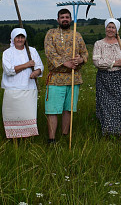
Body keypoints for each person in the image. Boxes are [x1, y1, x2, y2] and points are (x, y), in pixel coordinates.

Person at [44, 8, 88, 143]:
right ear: (58, 20)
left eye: (67, 17)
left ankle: (64, 136)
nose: (65, 19)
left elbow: (85, 53)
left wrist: (81, 60)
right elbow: (49, 52)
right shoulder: (51, 34)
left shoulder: (77, 35)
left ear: (71, 19)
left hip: (73, 78)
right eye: (62, 17)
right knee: (52, 110)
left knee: (68, 109)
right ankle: (51, 139)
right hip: (56, 78)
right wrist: (65, 63)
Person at [92, 18, 121, 135]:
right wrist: (114, 62)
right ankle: (110, 132)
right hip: (104, 79)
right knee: (107, 105)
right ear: (105, 28)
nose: (110, 30)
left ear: (117, 30)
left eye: (113, 27)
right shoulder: (99, 44)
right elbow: (97, 62)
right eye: (109, 27)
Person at [1, 28, 44, 139]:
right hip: (12, 90)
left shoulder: (32, 51)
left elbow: (40, 66)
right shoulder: (7, 53)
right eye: (17, 37)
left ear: (25, 38)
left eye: (22, 37)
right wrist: (27, 65)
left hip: (29, 89)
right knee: (13, 117)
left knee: (28, 116)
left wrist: (36, 72)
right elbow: (9, 70)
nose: (20, 40)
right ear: (13, 39)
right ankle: (14, 138)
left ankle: (28, 139)